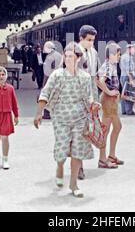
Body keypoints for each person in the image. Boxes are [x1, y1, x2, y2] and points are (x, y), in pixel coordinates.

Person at [34, 42, 100, 198]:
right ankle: (59, 167)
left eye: (71, 56)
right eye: (66, 56)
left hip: (80, 119)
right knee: (62, 149)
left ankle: (73, 184)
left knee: (78, 150)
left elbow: (89, 98)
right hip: (61, 118)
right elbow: (46, 93)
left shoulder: (84, 77)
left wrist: (94, 105)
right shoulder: (57, 75)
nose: (67, 59)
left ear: (78, 58)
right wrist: (39, 113)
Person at [77, 25, 101, 180]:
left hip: (90, 92)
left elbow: (95, 76)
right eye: (89, 40)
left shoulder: (93, 52)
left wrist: (95, 100)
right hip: (77, 95)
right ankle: (79, 167)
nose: (91, 43)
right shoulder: (73, 52)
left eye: (93, 40)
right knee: (78, 133)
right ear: (81, 38)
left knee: (87, 131)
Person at [96, 43, 123, 169]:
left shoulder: (110, 65)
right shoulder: (108, 66)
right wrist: (109, 92)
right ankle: (102, 160)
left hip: (111, 101)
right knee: (105, 130)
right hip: (108, 100)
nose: (119, 56)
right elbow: (100, 81)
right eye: (118, 54)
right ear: (111, 55)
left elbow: (97, 79)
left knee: (117, 127)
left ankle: (111, 156)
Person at [42, 41, 63, 120]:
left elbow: (46, 71)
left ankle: (46, 113)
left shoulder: (49, 57)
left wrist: (44, 83)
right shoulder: (59, 55)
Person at [120, 44, 135, 116]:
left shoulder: (124, 56)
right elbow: (128, 70)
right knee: (130, 94)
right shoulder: (128, 58)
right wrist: (131, 79)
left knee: (124, 93)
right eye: (134, 49)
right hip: (128, 77)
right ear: (129, 49)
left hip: (123, 76)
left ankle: (124, 110)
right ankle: (129, 111)